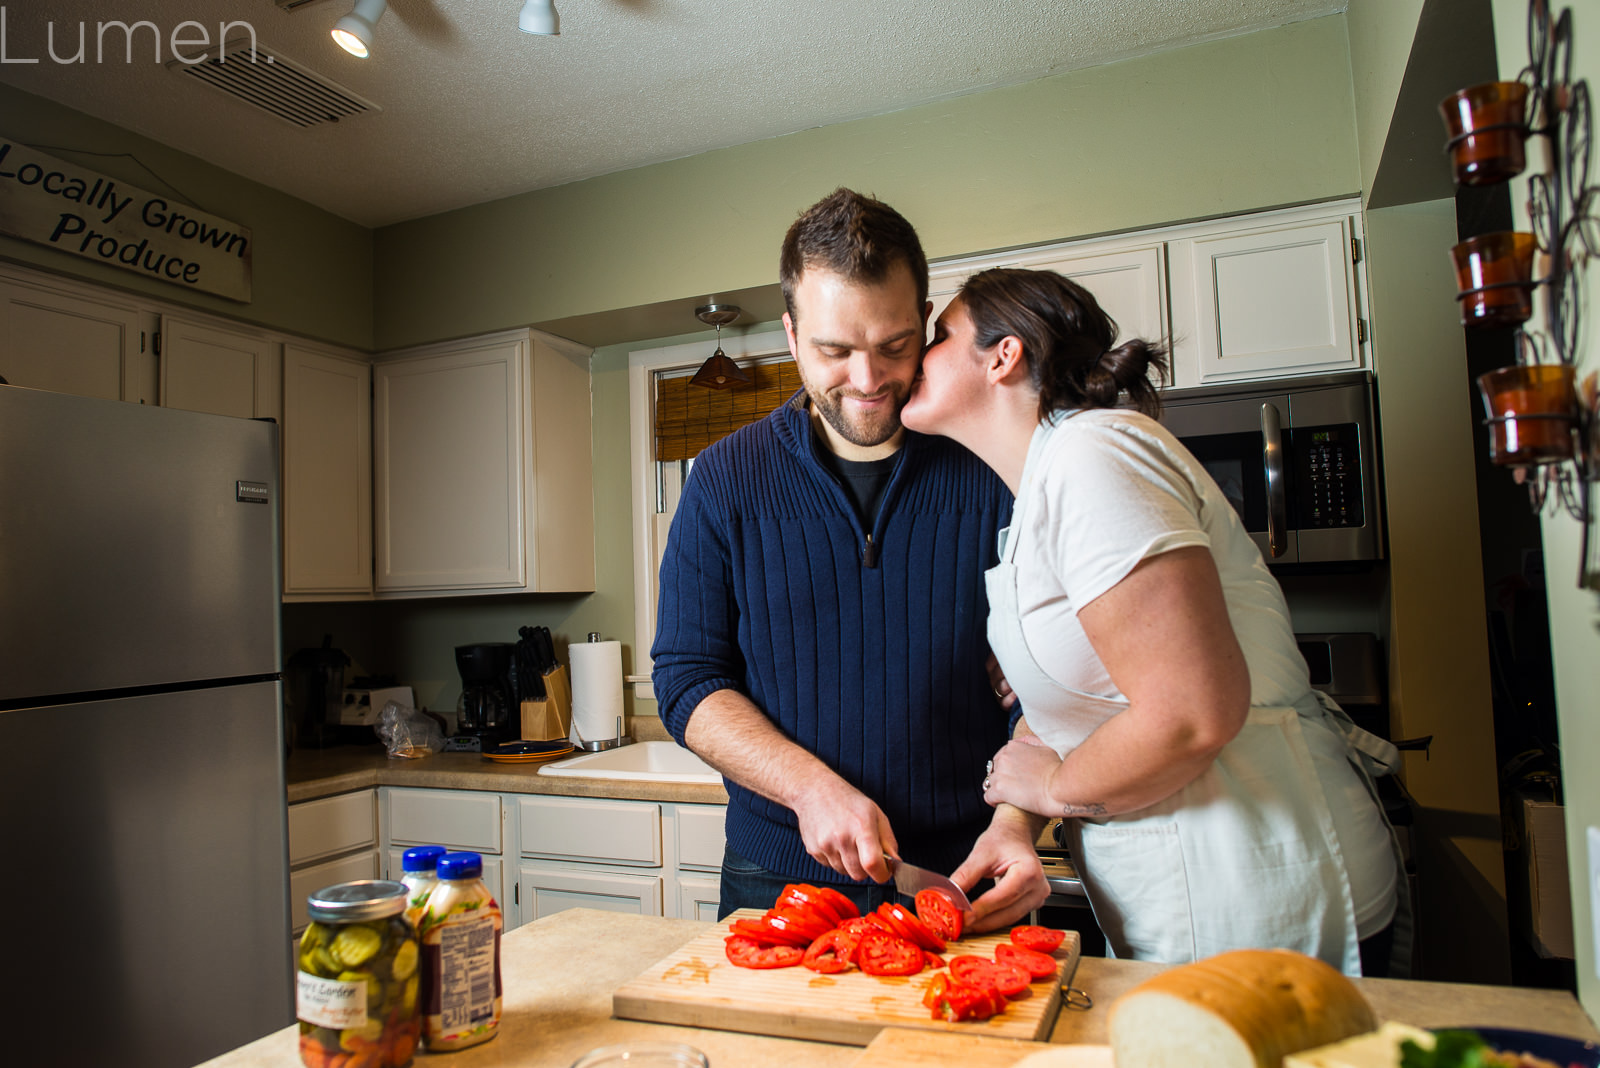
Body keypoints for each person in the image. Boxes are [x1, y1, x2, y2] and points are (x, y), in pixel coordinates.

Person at [899, 267, 1408, 975]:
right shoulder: (1043, 488)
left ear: (1002, 354)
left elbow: (1188, 715)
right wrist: (1016, 823)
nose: (916, 356)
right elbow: (1083, 702)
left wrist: (1049, 789)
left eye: (939, 335)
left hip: (1257, 900)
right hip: (1189, 901)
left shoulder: (1093, 457)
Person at [651, 189, 1050, 930]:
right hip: (781, 878)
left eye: (896, 346)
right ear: (793, 335)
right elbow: (685, 677)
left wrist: (1018, 824)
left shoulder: (993, 467)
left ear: (927, 327)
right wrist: (808, 788)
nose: (868, 381)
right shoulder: (724, 479)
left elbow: (1050, 684)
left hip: (965, 871)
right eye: (836, 350)